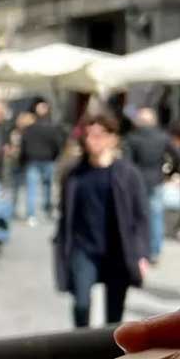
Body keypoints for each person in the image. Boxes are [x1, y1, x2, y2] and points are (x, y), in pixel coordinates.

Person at [54, 115, 149, 329]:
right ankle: (81, 349)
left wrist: (142, 253)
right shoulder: (74, 175)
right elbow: (65, 216)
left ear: (112, 139)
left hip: (118, 250)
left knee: (114, 315)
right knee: (81, 304)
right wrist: (62, 249)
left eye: (98, 135)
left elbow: (141, 215)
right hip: (84, 249)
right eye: (87, 135)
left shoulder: (127, 173)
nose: (91, 140)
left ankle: (109, 354)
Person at [123, 107, 177, 263]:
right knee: (156, 216)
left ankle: (139, 249)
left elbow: (127, 162)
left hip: (137, 181)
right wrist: (170, 172)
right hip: (156, 180)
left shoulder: (131, 138)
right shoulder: (163, 137)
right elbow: (177, 155)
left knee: (137, 215)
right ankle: (154, 251)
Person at [20, 100, 65, 223]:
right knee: (47, 187)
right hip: (47, 160)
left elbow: (24, 145)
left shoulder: (29, 129)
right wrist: (55, 157)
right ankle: (47, 211)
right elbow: (57, 145)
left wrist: (23, 159)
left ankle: (31, 215)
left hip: (33, 160)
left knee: (32, 188)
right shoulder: (52, 128)